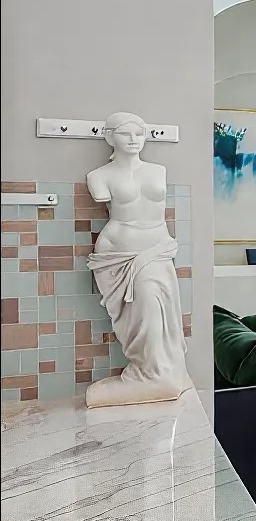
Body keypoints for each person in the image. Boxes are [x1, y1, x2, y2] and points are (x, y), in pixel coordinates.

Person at [83, 112, 189, 406]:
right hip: (119, 255)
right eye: (125, 133)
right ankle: (149, 371)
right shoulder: (99, 177)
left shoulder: (158, 170)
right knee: (142, 308)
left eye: (139, 134)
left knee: (161, 308)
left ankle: (161, 371)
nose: (133, 139)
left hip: (157, 250)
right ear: (109, 137)